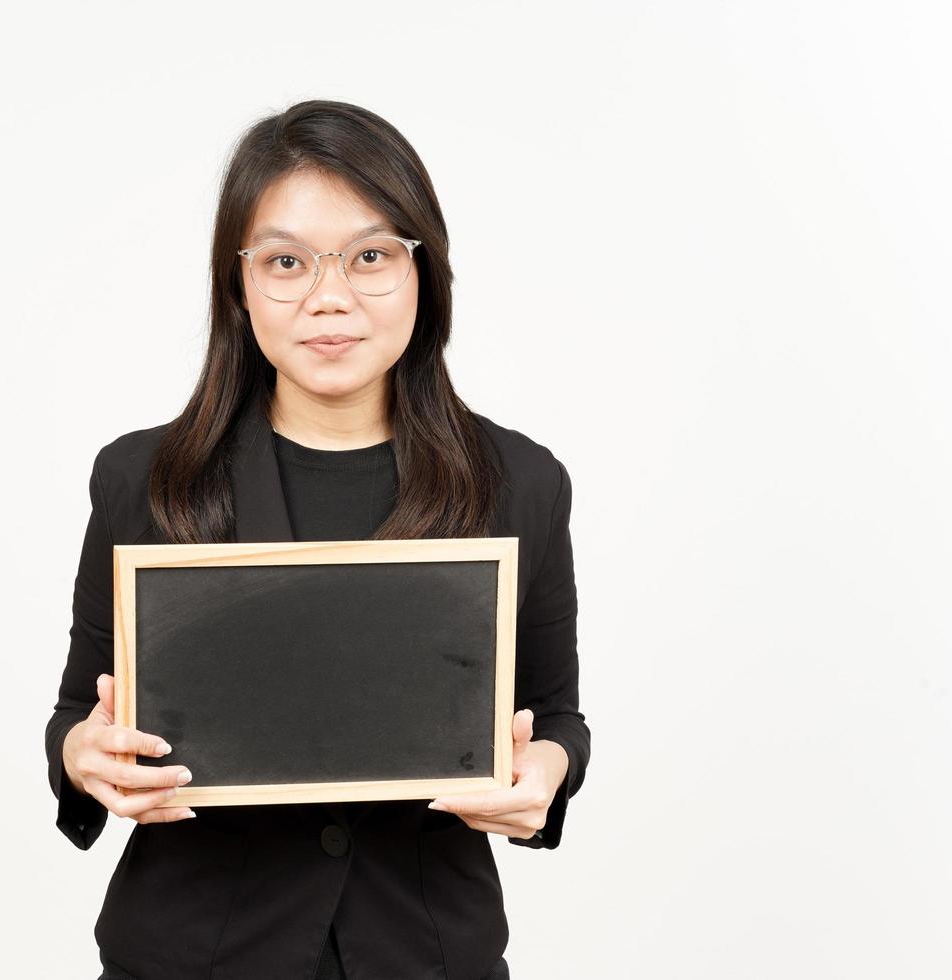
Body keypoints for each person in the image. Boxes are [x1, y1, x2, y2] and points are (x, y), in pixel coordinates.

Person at [44, 100, 590, 980]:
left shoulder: (522, 483)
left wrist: (548, 770)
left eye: (371, 256)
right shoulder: (142, 479)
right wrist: (81, 755)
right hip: (196, 954)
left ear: (425, 272)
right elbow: (80, 712)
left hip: (422, 954)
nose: (328, 296)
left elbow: (554, 714)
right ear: (239, 282)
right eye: (286, 261)